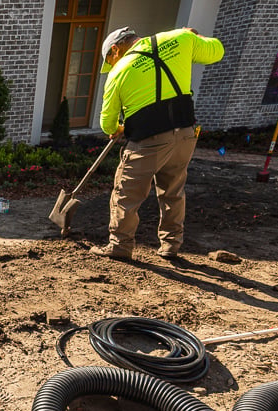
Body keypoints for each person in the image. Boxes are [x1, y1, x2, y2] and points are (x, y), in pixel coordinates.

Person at [90, 26, 224, 260]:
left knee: (126, 194)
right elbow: (217, 51)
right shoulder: (179, 39)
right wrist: (193, 37)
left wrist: (118, 129)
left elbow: (107, 124)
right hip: (185, 133)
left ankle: (120, 246)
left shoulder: (119, 71)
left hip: (147, 139)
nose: (110, 65)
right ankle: (171, 245)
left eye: (109, 60)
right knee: (172, 190)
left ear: (115, 49)